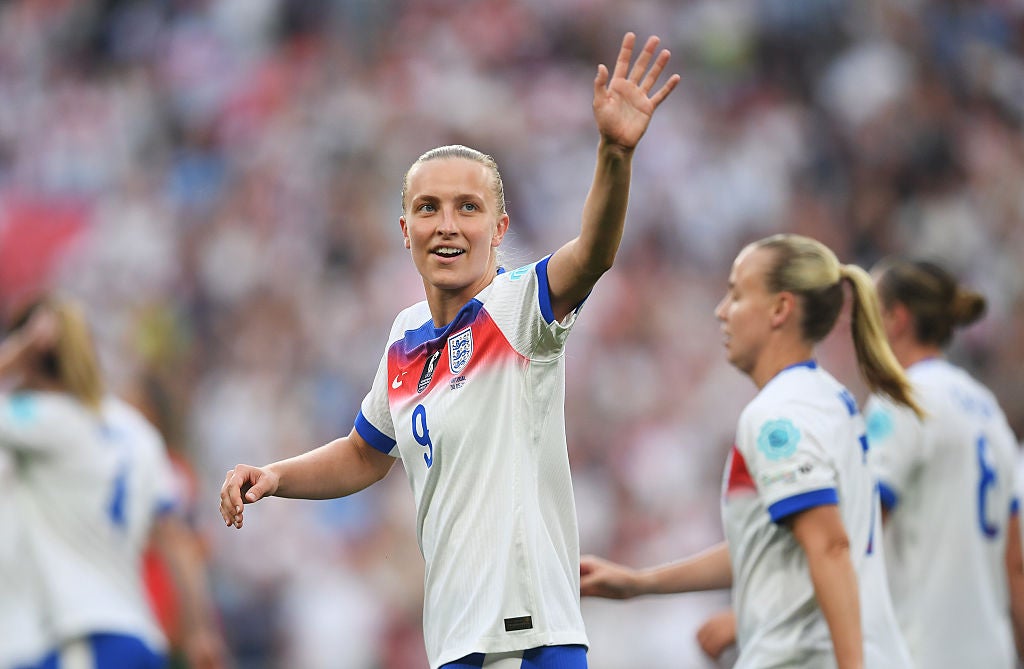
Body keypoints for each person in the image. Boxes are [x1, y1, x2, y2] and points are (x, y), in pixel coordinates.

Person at [218, 31, 679, 669]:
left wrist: (614, 154)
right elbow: (364, 452)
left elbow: (593, 254)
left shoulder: (518, 308)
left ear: (500, 228)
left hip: (524, 635)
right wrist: (277, 477)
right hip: (457, 635)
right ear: (405, 229)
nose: (447, 225)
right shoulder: (405, 335)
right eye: (428, 208)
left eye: (468, 207)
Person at [579, 233, 917, 668]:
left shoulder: (778, 415)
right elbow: (765, 541)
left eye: (737, 295)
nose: (722, 311)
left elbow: (829, 546)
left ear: (780, 309)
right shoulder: (830, 399)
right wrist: (641, 583)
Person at [0, 296, 227, 669]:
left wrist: (18, 351)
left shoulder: (40, 419)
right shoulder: (137, 430)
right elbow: (177, 541)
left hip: (80, 637)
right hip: (137, 635)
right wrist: (201, 631)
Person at [862, 258, 1024, 667]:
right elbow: (1015, 564)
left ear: (897, 320)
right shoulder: (988, 409)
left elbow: (859, 532)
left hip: (922, 652)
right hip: (992, 655)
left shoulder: (900, 397)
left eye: (868, 310)